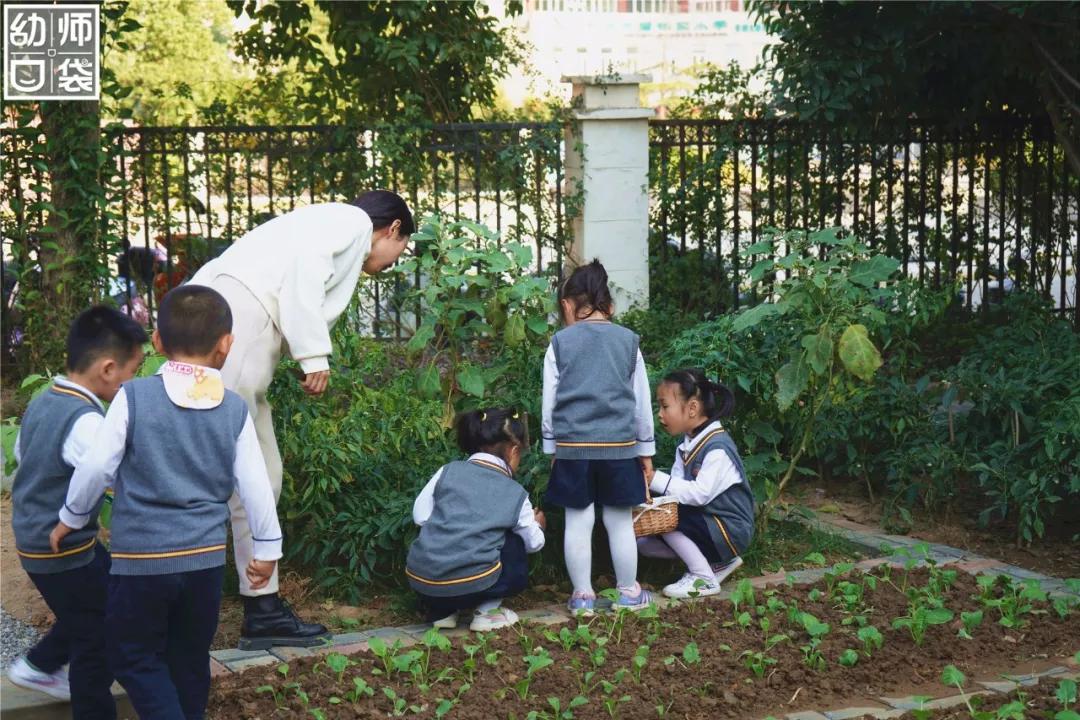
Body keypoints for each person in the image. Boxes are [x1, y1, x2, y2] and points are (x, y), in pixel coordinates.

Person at [189, 191, 414, 648]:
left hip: (228, 322)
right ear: (392, 230)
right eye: (401, 249)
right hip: (241, 327)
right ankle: (186, 604)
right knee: (219, 472)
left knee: (260, 473)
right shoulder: (350, 222)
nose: (394, 261)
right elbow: (305, 274)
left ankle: (262, 607)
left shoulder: (317, 220)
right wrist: (313, 354)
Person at [51, 286, 283, 720]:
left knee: (133, 656)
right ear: (226, 344)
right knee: (190, 658)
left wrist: (72, 517)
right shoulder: (233, 410)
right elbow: (255, 485)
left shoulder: (132, 398)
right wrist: (267, 551)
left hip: (141, 563)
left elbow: (97, 466)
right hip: (204, 565)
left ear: (156, 341)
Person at [8, 307, 146, 717]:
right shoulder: (85, 421)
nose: (133, 381)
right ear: (107, 369)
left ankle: (39, 664)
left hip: (36, 538)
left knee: (99, 601)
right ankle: (87, 701)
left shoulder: (45, 401)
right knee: (99, 636)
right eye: (133, 371)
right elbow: (103, 475)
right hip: (63, 546)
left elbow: (23, 456)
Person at [541, 259, 656, 615]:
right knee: (619, 520)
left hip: (573, 447)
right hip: (621, 448)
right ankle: (628, 593)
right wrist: (645, 450)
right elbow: (641, 402)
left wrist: (552, 448)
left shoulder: (559, 343)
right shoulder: (628, 341)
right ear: (611, 306)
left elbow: (549, 403)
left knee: (578, 521)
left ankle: (582, 597)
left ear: (567, 305)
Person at [406, 408, 546, 632]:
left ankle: (442, 612)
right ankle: (486, 613)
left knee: (430, 532)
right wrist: (539, 525)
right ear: (514, 451)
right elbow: (534, 543)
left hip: (425, 583)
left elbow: (420, 516)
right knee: (515, 540)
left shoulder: (448, 471)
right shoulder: (515, 493)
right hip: (477, 583)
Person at [638, 368, 754, 598]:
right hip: (708, 524)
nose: (660, 414)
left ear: (692, 408)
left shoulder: (717, 448)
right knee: (643, 542)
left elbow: (699, 494)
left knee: (669, 519)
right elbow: (676, 490)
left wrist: (654, 479)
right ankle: (718, 563)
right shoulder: (687, 444)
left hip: (729, 529)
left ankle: (703, 577)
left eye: (665, 406)